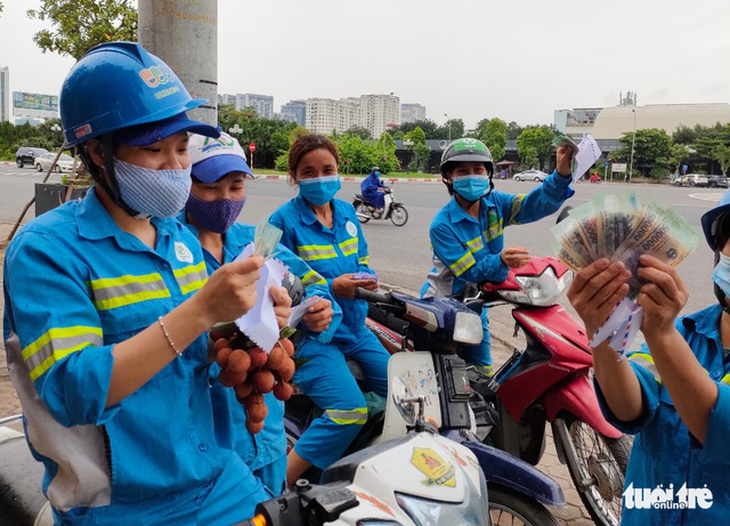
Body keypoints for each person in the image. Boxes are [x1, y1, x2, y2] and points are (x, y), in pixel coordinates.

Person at [2, 42, 273, 525]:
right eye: (154, 150)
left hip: (217, 478)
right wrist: (200, 311)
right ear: (98, 153)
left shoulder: (178, 238)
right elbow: (73, 390)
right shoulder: (46, 250)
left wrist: (246, 331)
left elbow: (190, 351)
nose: (176, 166)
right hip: (121, 507)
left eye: (182, 148)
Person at [180, 131, 340, 495]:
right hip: (207, 433)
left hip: (265, 430)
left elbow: (313, 284)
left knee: (271, 508)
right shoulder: (171, 250)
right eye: (210, 187)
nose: (225, 199)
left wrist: (311, 311)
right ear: (185, 184)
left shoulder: (254, 242)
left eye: (235, 187)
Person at [567, 191, 730, 525]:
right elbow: (629, 405)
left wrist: (661, 334)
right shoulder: (686, 331)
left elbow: (718, 428)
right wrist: (602, 331)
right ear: (720, 247)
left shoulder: (669, 335)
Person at [269, 134, 391, 483]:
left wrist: (367, 278)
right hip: (313, 340)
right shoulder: (283, 221)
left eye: (328, 169)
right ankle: (280, 483)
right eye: (310, 171)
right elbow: (277, 285)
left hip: (357, 329)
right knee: (349, 410)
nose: (321, 178)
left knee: (406, 394)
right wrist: (332, 289)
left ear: (339, 172)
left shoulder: (349, 213)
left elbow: (362, 258)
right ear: (294, 176)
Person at [421, 137, 575, 375]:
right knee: (442, 373)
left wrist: (561, 174)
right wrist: (501, 259)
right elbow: (470, 272)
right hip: (444, 306)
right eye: (463, 171)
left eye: (478, 170)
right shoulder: (442, 225)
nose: (472, 175)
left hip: (476, 305)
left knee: (483, 371)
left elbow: (534, 206)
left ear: (488, 174)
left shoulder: (495, 204)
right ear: (449, 177)